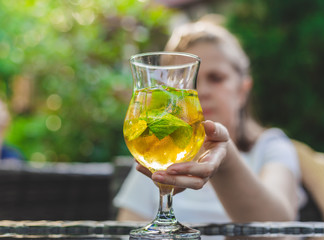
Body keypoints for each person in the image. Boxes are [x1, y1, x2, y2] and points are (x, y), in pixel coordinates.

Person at [114, 16, 306, 223]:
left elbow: (277, 231)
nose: (201, 91)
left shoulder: (271, 147)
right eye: (185, 84)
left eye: (216, 78)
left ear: (242, 91)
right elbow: (127, 229)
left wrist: (226, 159)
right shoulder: (158, 155)